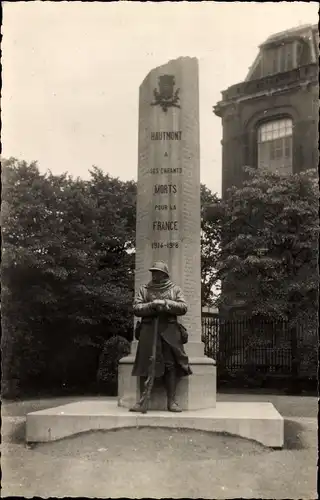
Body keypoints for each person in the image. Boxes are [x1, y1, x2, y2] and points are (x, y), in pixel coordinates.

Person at [130, 261, 192, 413]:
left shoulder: (174, 289)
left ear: (164, 274)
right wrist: (151, 305)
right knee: (145, 364)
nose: (154, 274)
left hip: (169, 329)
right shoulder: (144, 290)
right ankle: (142, 400)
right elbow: (136, 308)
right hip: (148, 329)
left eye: (157, 272)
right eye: (153, 272)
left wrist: (165, 303)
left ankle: (171, 401)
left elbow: (183, 307)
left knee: (170, 364)